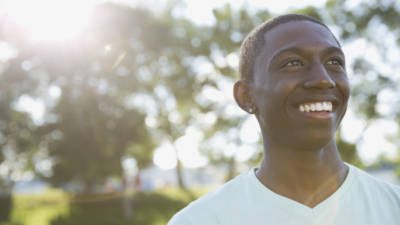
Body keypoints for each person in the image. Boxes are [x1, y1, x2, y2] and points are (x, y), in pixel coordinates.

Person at [168, 14, 400, 225]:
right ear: (246, 96)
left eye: (334, 62)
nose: (323, 79)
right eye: (292, 63)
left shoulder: (393, 208)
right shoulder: (201, 220)